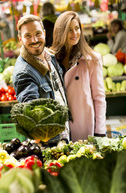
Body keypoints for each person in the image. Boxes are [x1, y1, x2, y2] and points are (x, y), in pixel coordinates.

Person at [13, 14, 70, 144]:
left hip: (64, 131)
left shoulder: (49, 56)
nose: (34, 40)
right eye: (27, 36)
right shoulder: (24, 72)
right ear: (20, 39)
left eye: (38, 33)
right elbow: (31, 113)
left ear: (44, 33)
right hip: (49, 141)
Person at [51, 11, 106, 142]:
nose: (75, 33)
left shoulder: (92, 59)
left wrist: (100, 132)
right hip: (59, 129)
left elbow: (99, 98)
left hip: (84, 127)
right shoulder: (50, 60)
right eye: (69, 30)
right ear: (61, 32)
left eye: (77, 28)